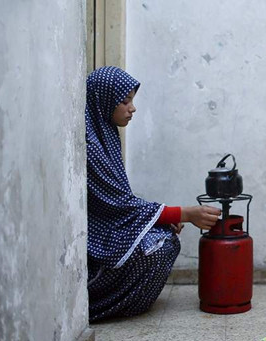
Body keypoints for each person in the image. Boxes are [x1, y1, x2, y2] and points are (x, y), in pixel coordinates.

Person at [85, 66, 220, 322]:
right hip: (96, 239)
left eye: (132, 101)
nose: (131, 108)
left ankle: (131, 302)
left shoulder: (106, 133)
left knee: (165, 236)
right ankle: (103, 305)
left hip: (110, 225)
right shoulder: (90, 145)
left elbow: (120, 199)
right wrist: (184, 213)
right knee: (157, 246)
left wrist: (164, 217)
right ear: (103, 101)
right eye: (124, 101)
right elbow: (118, 204)